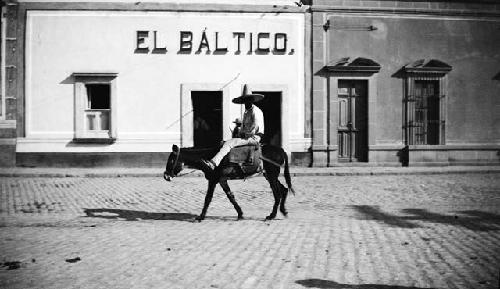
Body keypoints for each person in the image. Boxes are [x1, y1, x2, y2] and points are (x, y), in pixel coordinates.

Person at [200, 91, 264, 173]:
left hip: (253, 138)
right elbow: (243, 127)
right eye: (244, 101)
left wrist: (244, 134)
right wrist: (240, 134)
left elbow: (255, 128)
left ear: (252, 100)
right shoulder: (247, 112)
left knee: (229, 144)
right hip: (246, 136)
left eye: (248, 100)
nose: (245, 103)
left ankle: (214, 163)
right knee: (224, 142)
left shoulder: (256, 112)